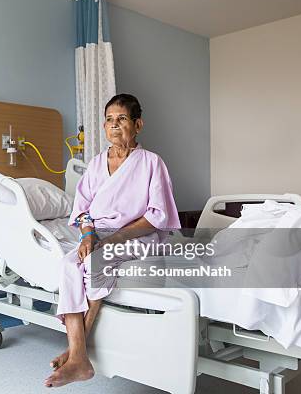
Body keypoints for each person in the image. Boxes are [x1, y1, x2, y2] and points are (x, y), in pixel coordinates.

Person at [44, 94, 181, 387]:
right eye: (109, 120)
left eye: (121, 119)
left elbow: (156, 216)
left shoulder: (151, 163)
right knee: (69, 264)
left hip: (139, 234)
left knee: (97, 260)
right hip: (100, 234)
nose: (114, 125)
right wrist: (88, 234)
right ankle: (78, 355)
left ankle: (77, 355)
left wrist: (113, 238)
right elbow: (81, 210)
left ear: (138, 124)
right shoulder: (95, 165)